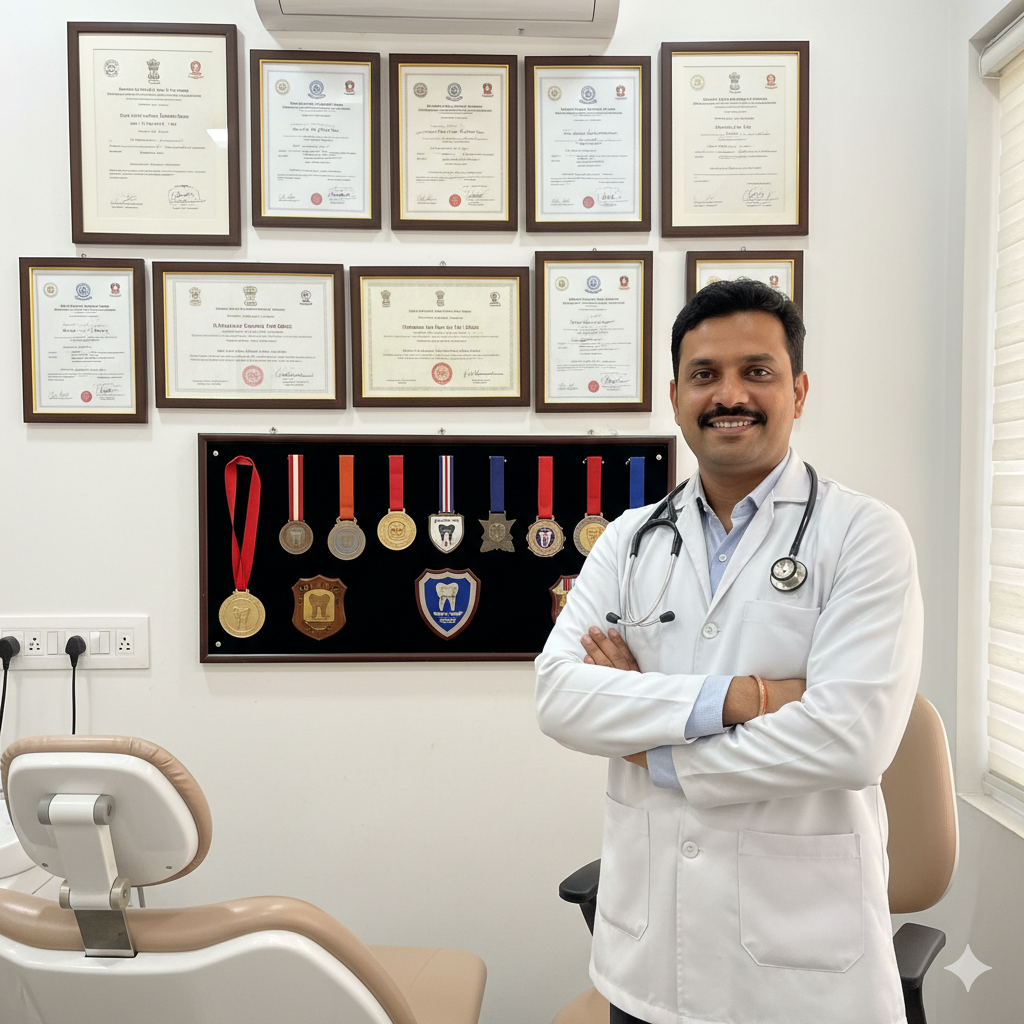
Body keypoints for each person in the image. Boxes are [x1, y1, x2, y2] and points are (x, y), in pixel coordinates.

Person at [535, 280, 923, 1024]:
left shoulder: (865, 536)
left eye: (758, 371)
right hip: (649, 963)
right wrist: (747, 698)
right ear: (676, 393)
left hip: (805, 970)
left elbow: (849, 741)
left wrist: (655, 749)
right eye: (705, 375)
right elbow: (560, 697)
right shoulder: (628, 539)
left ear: (799, 390)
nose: (729, 394)